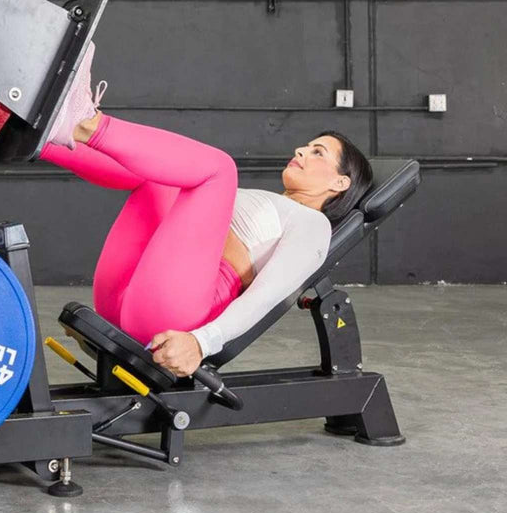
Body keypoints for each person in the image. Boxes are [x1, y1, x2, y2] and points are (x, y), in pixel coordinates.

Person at [40, 43, 373, 378]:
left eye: (318, 153)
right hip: (124, 295)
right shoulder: (272, 204)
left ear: (340, 183)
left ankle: (85, 122)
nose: (301, 150)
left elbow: (269, 294)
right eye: (308, 146)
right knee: (162, 177)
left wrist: (201, 342)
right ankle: (43, 138)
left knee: (219, 170)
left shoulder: (313, 224)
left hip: (170, 316)